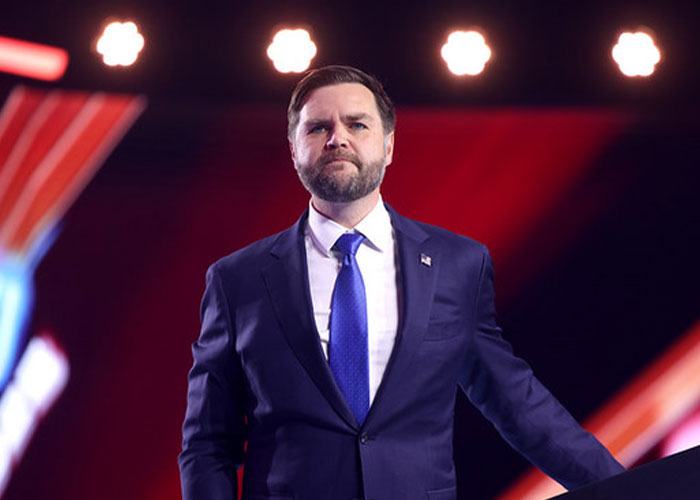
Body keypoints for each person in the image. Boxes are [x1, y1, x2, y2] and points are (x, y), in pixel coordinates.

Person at [178, 65, 625, 500]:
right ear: (293, 149)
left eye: (357, 124)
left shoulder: (458, 264)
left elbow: (518, 404)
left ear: (389, 145)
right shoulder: (237, 280)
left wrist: (628, 491)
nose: (338, 138)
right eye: (318, 128)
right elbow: (208, 443)